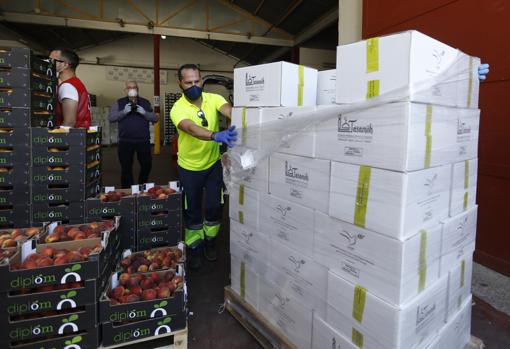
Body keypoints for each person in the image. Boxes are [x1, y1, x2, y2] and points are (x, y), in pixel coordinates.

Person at [170, 63, 237, 269]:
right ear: (180, 84)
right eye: (188, 82)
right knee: (192, 210)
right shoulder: (178, 108)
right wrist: (215, 135)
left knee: (215, 206)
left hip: (213, 164)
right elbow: (190, 128)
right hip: (189, 167)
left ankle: (210, 242)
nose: (194, 86)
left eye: (197, 81)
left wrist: (241, 118)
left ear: (202, 80)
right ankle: (195, 247)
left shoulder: (214, 99)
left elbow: (228, 110)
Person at [108, 80, 158, 188]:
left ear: (138, 89)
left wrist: (145, 113)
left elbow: (154, 118)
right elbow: (111, 118)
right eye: (129, 88)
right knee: (126, 168)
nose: (132, 89)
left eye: (134, 87)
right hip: (125, 141)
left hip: (143, 140)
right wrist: (123, 112)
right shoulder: (119, 102)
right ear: (125, 90)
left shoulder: (145, 102)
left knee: (147, 165)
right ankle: (128, 191)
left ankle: (141, 185)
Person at [49, 48, 91, 128]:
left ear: (65, 65)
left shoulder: (67, 86)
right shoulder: (76, 83)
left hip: (72, 138)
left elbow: (69, 123)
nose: (49, 62)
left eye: (52, 60)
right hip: (80, 136)